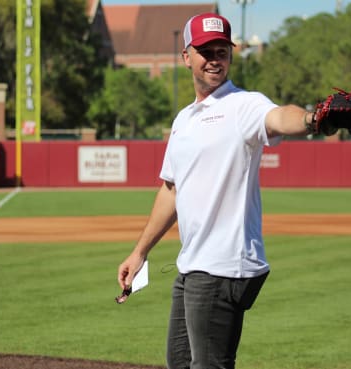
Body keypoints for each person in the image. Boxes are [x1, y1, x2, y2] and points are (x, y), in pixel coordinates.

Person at [116, 13, 318, 369]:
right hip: (194, 266)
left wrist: (312, 120)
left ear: (230, 55)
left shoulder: (242, 105)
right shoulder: (184, 120)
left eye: (221, 50)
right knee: (179, 362)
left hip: (222, 267)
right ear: (186, 56)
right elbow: (171, 190)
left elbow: (280, 117)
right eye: (205, 50)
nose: (214, 58)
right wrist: (139, 252)